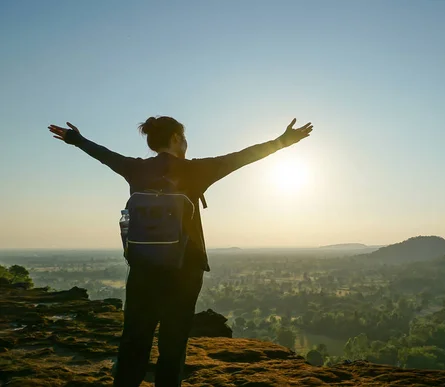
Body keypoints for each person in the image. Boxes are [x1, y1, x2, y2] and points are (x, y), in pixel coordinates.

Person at [47, 116, 313, 387]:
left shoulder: (135, 169)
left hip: (142, 266)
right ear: (175, 138)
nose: (186, 142)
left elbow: (104, 155)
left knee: (135, 337)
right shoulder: (196, 170)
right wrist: (283, 141)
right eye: (184, 137)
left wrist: (76, 140)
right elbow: (242, 157)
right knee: (173, 342)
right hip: (185, 268)